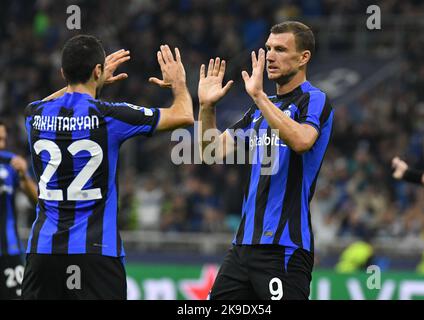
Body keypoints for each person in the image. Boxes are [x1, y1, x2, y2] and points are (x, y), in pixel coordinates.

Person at [21, 35, 193, 299]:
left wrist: (88, 81)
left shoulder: (35, 116)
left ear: (62, 72)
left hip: (43, 253)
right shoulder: (109, 115)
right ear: (98, 70)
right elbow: (183, 115)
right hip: (97, 253)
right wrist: (179, 84)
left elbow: (46, 102)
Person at [198, 21, 334, 300]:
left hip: (284, 248)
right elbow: (210, 151)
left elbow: (301, 141)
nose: (270, 56)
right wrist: (206, 107)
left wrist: (259, 96)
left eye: (281, 49)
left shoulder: (314, 100)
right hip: (242, 247)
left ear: (303, 57)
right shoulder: (258, 111)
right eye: (268, 48)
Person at [0, 121, 37, 299]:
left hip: (9, 251)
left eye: (3, 139)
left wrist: (23, 174)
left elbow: (37, 200)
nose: (2, 144)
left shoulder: (10, 163)